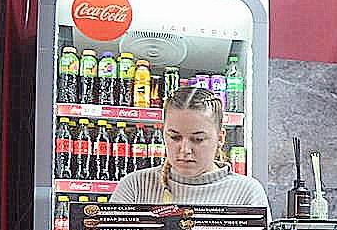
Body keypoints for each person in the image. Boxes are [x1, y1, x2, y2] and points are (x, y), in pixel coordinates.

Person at [110, 86, 268, 207]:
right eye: (174, 137)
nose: (185, 150)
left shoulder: (247, 193)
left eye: (198, 139)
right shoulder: (134, 186)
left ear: (220, 138)